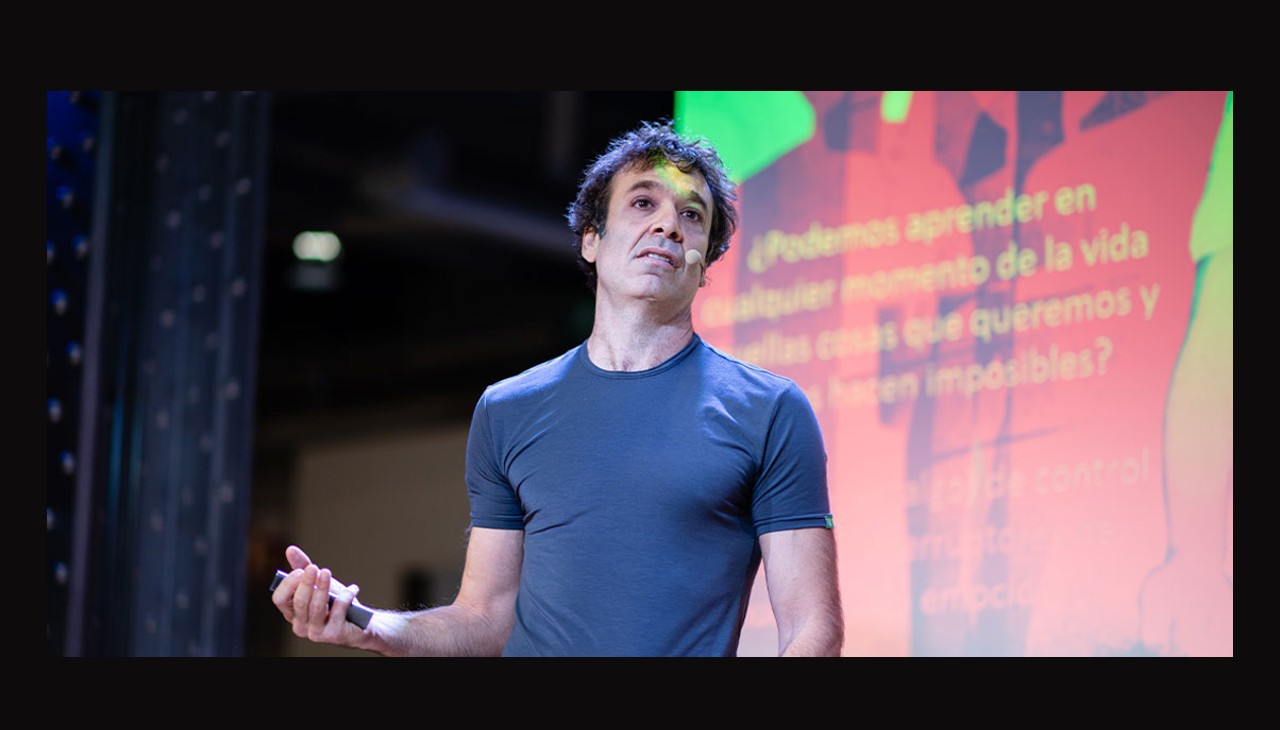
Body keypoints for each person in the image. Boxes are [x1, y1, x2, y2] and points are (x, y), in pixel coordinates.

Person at [271, 120, 844, 656]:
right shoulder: (508, 409)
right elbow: (484, 616)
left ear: (705, 260)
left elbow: (810, 627)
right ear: (591, 239)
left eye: (692, 216)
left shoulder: (769, 410)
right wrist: (370, 624)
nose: (668, 225)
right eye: (643, 203)